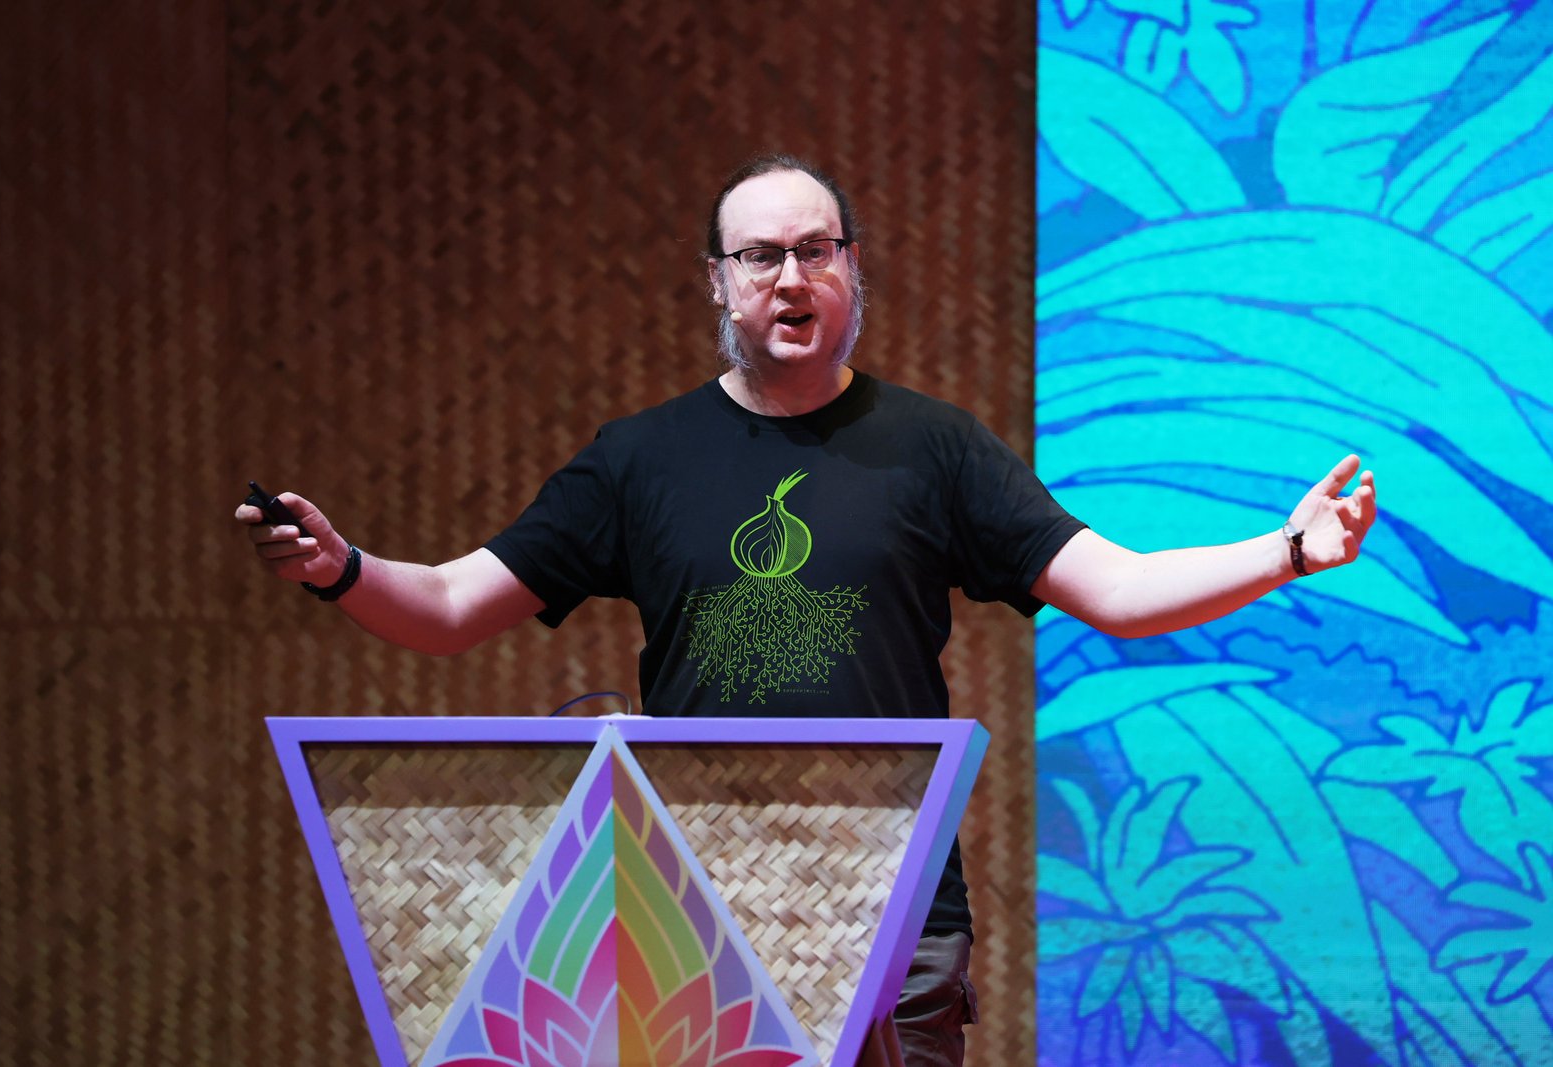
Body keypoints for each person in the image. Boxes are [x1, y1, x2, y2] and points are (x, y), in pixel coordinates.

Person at [236, 154, 1378, 1066]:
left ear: (851, 269)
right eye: (761, 254)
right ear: (718, 280)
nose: (791, 277)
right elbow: (449, 604)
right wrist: (344, 567)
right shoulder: (638, 459)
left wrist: (1285, 550)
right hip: (696, 916)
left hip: (898, 917)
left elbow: (1117, 589)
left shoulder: (933, 447)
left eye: (816, 251)